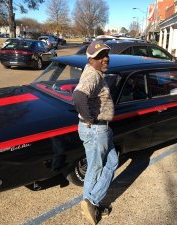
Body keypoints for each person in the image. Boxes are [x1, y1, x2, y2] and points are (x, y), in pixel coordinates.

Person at [72, 41, 119, 225]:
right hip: (96, 130)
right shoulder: (93, 75)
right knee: (95, 168)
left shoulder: (94, 72)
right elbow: (78, 95)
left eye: (106, 54)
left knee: (111, 161)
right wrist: (88, 117)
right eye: (100, 56)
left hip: (100, 130)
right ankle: (92, 202)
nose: (105, 58)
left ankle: (91, 203)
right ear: (91, 59)